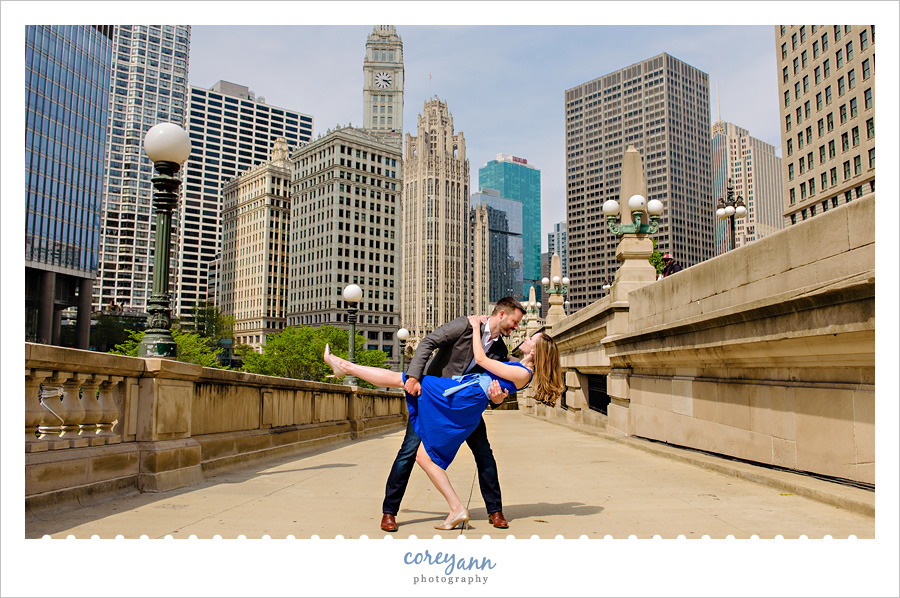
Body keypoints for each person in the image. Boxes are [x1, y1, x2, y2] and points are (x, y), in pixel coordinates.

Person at [324, 314, 565, 530]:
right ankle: (445, 508)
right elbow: (434, 345)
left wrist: (473, 327)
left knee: (402, 382)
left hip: (462, 400)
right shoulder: (517, 364)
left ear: (535, 351)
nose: (522, 332)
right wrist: (500, 395)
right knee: (417, 452)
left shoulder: (518, 367)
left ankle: (345, 366)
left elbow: (481, 360)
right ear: (502, 314)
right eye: (516, 322)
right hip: (462, 397)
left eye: (533, 337)